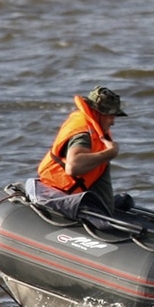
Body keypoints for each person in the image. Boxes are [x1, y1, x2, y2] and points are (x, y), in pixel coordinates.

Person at [36, 85, 127, 213]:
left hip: (94, 203)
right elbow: (74, 166)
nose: (113, 122)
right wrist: (110, 152)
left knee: (126, 201)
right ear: (97, 113)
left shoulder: (91, 127)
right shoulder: (83, 134)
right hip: (78, 205)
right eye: (111, 116)